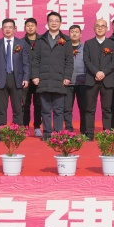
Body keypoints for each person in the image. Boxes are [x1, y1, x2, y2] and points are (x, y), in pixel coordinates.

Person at [32, 11, 74, 139]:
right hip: (43, 80)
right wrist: (35, 76)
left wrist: (67, 77)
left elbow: (69, 61)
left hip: (59, 79)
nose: (54, 23)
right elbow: (35, 60)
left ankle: (58, 134)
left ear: (60, 23)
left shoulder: (66, 40)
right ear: (47, 23)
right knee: (45, 110)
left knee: (58, 110)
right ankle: (47, 133)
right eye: (51, 20)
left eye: (56, 21)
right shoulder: (40, 40)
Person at [0, 18, 31, 138]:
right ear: (2, 30)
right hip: (0, 80)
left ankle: (17, 133)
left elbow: (26, 63)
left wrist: (26, 78)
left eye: (10, 27)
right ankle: (1, 134)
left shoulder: (21, 43)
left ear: (15, 29)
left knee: (17, 108)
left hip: (16, 79)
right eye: (5, 27)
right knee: (1, 109)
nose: (7, 29)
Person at [82, 19, 114, 139]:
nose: (100, 28)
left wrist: (103, 72)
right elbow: (86, 60)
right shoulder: (88, 43)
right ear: (94, 28)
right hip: (92, 79)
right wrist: (96, 72)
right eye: (97, 26)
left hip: (107, 80)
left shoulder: (112, 44)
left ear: (107, 28)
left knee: (107, 109)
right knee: (90, 109)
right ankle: (89, 134)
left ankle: (107, 134)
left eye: (102, 26)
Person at [21, 17, 43, 137]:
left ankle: (37, 127)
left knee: (38, 104)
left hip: (39, 78)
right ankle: (25, 127)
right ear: (25, 28)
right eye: (28, 26)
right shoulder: (20, 42)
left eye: (32, 25)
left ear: (36, 27)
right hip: (25, 78)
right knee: (25, 104)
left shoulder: (42, 41)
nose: (30, 28)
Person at [63, 25, 88, 132]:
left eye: (76, 32)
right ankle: (69, 130)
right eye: (72, 31)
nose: (74, 34)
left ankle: (84, 130)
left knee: (84, 108)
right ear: (68, 34)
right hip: (67, 83)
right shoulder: (64, 48)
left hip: (82, 83)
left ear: (80, 34)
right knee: (67, 109)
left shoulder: (86, 48)